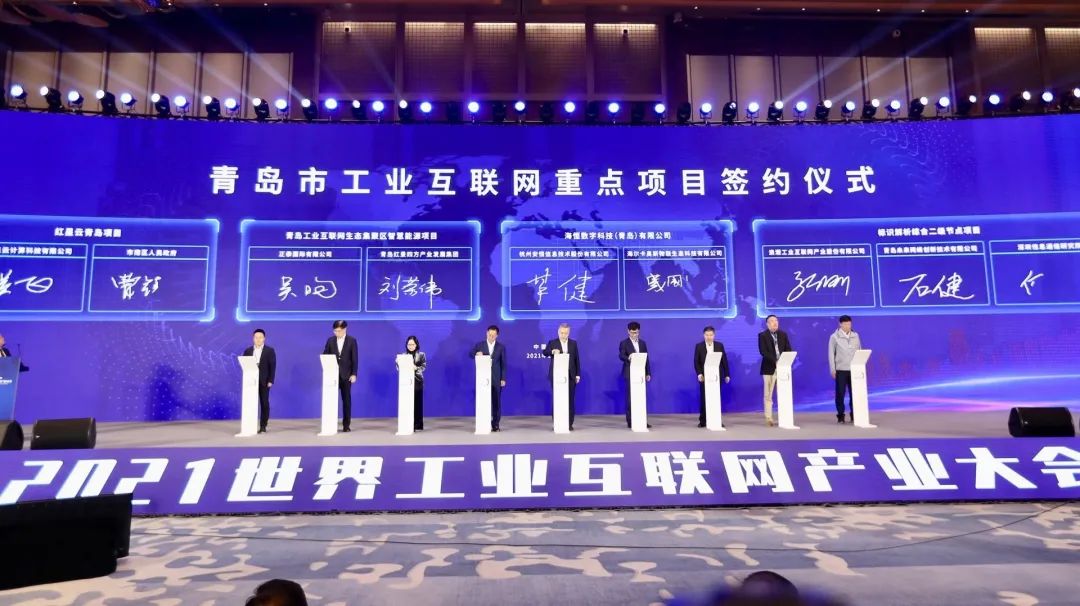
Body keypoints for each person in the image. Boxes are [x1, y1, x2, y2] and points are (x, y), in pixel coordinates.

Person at [543, 323, 581, 431]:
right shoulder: (552, 342)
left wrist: (578, 374)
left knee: (570, 400)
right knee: (558, 400)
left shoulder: (573, 343)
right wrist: (552, 352)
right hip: (557, 376)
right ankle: (557, 423)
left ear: (569, 333)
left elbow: (577, 359)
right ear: (558, 332)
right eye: (562, 333)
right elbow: (545, 352)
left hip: (570, 375)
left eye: (566, 333)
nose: (563, 335)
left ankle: (569, 423)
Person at [322, 320, 358, 432]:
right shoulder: (330, 341)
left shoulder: (352, 341)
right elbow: (325, 355)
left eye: (339, 331)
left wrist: (354, 374)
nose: (336, 333)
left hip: (346, 376)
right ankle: (330, 423)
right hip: (332, 376)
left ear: (344, 329)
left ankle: (346, 425)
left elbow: (354, 359)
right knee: (330, 400)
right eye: (335, 331)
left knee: (346, 401)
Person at [758, 314, 793, 427]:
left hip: (783, 368)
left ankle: (784, 416)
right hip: (769, 368)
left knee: (783, 392)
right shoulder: (762, 335)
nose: (775, 323)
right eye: (772, 321)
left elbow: (788, 349)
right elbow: (763, 352)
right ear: (767, 324)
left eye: (776, 320)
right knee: (768, 394)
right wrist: (776, 361)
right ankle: (769, 417)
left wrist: (785, 360)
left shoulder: (783, 334)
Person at [470, 325, 507, 431]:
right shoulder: (479, 345)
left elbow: (503, 364)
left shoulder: (501, 347)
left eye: (493, 335)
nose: (491, 337)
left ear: (497, 335)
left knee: (496, 402)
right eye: (489, 334)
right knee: (483, 402)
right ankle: (483, 422)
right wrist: (476, 353)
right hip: (483, 378)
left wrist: (503, 378)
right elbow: (471, 354)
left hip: (496, 378)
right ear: (486, 333)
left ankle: (495, 424)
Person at [693, 325, 730, 428]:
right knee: (704, 399)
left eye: (711, 335)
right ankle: (703, 421)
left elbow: (724, 361)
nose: (709, 337)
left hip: (717, 377)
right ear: (703, 335)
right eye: (707, 335)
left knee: (716, 399)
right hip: (704, 377)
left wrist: (727, 374)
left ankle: (717, 420)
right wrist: (699, 374)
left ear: (714, 335)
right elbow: (696, 362)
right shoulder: (699, 346)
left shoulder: (719, 345)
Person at [828, 315, 862, 424]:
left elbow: (860, 351)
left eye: (849, 324)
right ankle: (840, 415)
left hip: (854, 369)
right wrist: (833, 369)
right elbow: (831, 354)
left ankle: (854, 414)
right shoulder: (834, 337)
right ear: (840, 324)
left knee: (854, 393)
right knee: (840, 393)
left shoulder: (855, 335)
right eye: (846, 324)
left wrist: (860, 365)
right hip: (841, 370)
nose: (848, 326)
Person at [242, 328, 277, 433]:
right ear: (253, 338)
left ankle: (263, 425)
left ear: (264, 338)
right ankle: (249, 425)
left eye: (260, 337)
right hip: (250, 381)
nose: (258, 339)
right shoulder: (248, 351)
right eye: (256, 337)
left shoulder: (269, 351)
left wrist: (271, 380)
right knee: (250, 403)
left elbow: (273, 366)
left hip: (264, 381)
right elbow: (244, 365)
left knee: (264, 404)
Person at [618, 321, 651, 429]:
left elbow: (646, 359)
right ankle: (631, 421)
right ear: (628, 331)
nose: (634, 335)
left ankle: (642, 421)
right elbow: (621, 355)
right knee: (630, 399)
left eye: (636, 332)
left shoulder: (643, 343)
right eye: (632, 333)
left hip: (640, 374)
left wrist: (648, 373)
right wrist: (629, 357)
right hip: (629, 373)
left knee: (641, 398)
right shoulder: (624, 343)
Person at [399, 335, 427, 431]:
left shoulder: (421, 355)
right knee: (408, 404)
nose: (410, 346)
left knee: (418, 404)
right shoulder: (403, 355)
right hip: (406, 382)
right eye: (409, 344)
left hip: (418, 381)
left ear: (416, 345)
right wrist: (398, 363)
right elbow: (399, 368)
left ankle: (418, 424)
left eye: (412, 344)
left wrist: (416, 368)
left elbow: (423, 367)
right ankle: (409, 423)